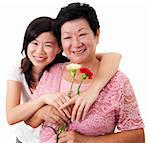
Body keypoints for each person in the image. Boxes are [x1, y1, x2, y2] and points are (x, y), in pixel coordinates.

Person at [28, 2, 145, 143]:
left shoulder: (118, 82)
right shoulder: (53, 72)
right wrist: (42, 113)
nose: (76, 43)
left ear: (97, 34)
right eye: (67, 37)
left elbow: (138, 137)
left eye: (82, 34)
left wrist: (87, 141)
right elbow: (30, 120)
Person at [6, 16, 122, 143]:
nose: (40, 51)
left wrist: (94, 89)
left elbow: (114, 56)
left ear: (59, 48)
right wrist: (44, 99)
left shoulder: (67, 68)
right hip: (25, 139)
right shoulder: (18, 71)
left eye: (48, 45)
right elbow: (11, 116)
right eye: (34, 43)